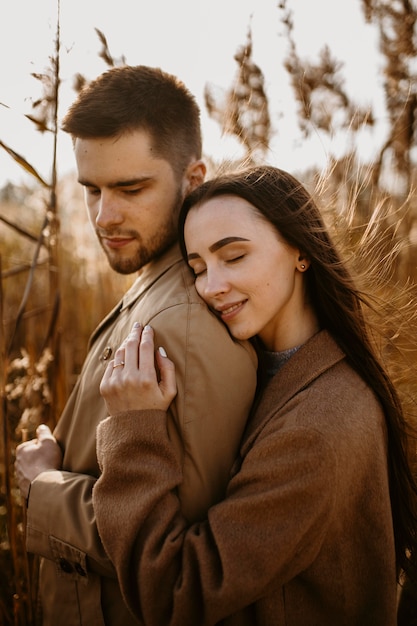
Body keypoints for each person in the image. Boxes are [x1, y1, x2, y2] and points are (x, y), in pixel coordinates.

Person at [93, 165, 417, 625]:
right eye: (198, 268)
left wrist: (134, 430)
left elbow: (177, 595)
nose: (211, 287)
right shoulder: (267, 371)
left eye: (235, 256)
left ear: (300, 251)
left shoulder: (321, 424)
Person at [14, 66, 257, 626]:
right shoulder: (155, 286)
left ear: (193, 178)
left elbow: (176, 557)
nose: (104, 216)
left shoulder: (189, 328)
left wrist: (45, 487)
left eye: (130, 189)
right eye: (92, 190)